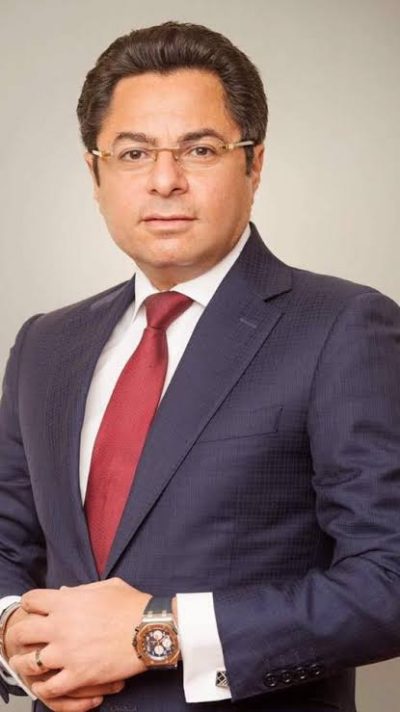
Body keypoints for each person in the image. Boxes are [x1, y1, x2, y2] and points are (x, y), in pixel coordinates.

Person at [0, 20, 399, 712]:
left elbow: (387, 578)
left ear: (254, 164)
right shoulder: (45, 344)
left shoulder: (342, 326)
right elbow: (8, 538)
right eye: (133, 153)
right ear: (95, 173)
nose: (165, 181)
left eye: (200, 149)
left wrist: (158, 634)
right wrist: (12, 636)